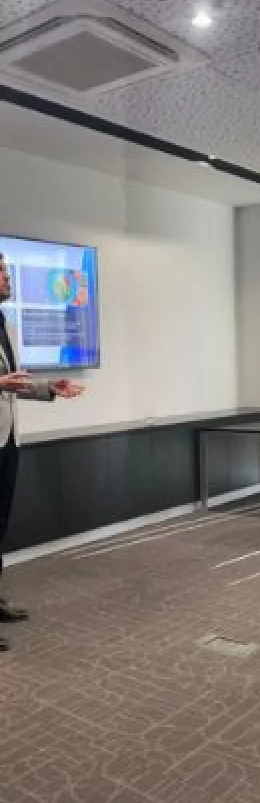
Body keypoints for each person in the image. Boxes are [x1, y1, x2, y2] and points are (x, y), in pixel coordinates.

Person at [0, 253, 85, 647]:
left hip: (8, 439)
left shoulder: (6, 324)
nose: (7, 277)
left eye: (6, 270)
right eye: (1, 272)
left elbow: (12, 382)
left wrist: (49, 387)